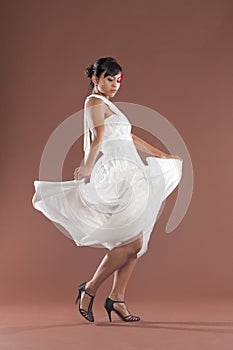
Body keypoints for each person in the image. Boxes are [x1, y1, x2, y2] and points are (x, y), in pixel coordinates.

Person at [32, 56, 183, 323]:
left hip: (130, 171)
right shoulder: (94, 102)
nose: (114, 85)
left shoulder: (110, 106)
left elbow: (129, 136)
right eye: (109, 79)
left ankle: (117, 299)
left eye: (117, 80)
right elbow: (97, 136)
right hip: (116, 174)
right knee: (133, 242)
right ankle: (90, 289)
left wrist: (160, 153)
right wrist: (88, 166)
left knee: (135, 243)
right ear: (95, 79)